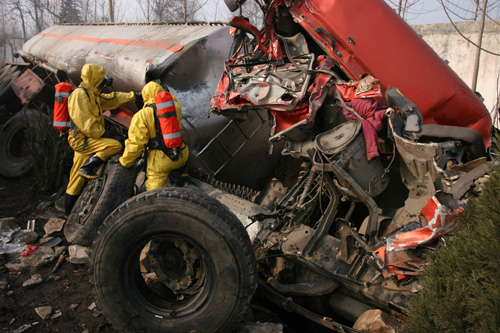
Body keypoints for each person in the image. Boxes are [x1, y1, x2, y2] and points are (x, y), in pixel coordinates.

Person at [64, 64, 136, 217]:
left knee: (75, 179)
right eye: (101, 77)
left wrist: (132, 96)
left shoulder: (91, 94)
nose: (103, 81)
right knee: (114, 145)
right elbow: (87, 123)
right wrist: (106, 135)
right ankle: (88, 168)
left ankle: (67, 214)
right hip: (83, 140)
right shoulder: (79, 95)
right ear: (95, 78)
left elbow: (111, 100)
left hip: (87, 139)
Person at [119, 81, 189, 191]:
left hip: (161, 161)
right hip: (181, 154)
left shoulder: (142, 115)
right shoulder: (175, 106)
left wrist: (125, 162)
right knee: (174, 166)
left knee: (154, 191)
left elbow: (136, 144)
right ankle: (180, 177)